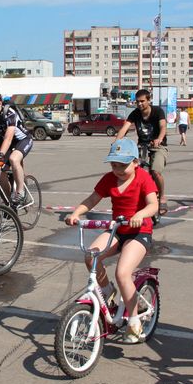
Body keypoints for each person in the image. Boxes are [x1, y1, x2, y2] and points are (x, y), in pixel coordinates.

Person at [65, 138, 158, 343]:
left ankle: (134, 321)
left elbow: (153, 205)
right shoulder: (109, 179)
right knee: (91, 256)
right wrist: (76, 213)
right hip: (117, 229)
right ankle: (107, 291)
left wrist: (140, 215)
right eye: (114, 164)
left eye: (122, 165)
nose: (117, 169)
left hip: (139, 232)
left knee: (123, 272)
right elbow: (92, 199)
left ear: (135, 162)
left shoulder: (143, 178)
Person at [115, 89, 168, 215]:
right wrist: (116, 142)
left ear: (149, 100)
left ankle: (162, 197)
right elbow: (125, 128)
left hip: (158, 146)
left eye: (142, 101)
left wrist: (159, 139)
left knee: (155, 171)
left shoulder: (157, 111)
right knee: (132, 170)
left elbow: (163, 127)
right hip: (141, 145)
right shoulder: (135, 113)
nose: (139, 104)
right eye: (137, 102)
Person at [0, 91, 33, 206]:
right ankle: (8, 202)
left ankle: (20, 192)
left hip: (22, 140)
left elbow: (8, 138)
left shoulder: (10, 113)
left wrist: (0, 155)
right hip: (4, 140)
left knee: (14, 159)